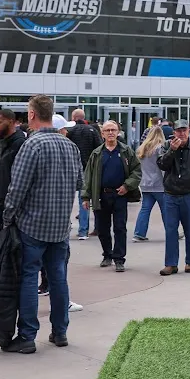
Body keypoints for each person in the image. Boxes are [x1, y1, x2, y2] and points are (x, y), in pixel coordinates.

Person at [2, 95, 83, 352]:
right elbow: (80, 183)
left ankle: (27, 336)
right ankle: (60, 331)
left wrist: (8, 217)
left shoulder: (32, 145)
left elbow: (17, 187)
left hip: (33, 224)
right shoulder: (70, 146)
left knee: (29, 276)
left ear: (32, 115)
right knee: (58, 277)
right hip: (60, 225)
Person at [0, 108, 25, 342]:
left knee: (12, 273)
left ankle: (12, 331)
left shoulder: (20, 145)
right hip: (1, 213)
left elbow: (17, 185)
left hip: (10, 217)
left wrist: (9, 214)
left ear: (12, 122)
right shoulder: (1, 145)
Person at [83, 121, 140, 271]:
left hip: (120, 195)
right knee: (102, 228)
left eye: (113, 130)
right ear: (102, 134)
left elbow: (136, 171)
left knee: (120, 227)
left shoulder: (126, 151)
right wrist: (85, 196)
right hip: (101, 195)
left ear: (118, 132)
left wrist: (127, 185)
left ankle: (119, 258)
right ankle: (107, 255)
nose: (110, 133)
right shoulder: (96, 153)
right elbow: (88, 176)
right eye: (107, 130)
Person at [157, 120, 190, 275]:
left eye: (184, 130)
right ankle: (171, 264)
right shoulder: (167, 146)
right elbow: (161, 165)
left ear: (188, 131)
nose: (181, 133)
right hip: (171, 194)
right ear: (174, 132)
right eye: (178, 131)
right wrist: (172, 151)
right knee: (170, 230)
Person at [66, 110, 102, 242]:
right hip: (87, 169)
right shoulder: (92, 131)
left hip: (71, 169)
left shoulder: (70, 131)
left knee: (66, 200)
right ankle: (83, 231)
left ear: (74, 118)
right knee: (84, 200)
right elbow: (99, 149)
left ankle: (65, 227)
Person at [133, 127, 167, 242]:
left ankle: (139, 233)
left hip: (145, 183)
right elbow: (163, 167)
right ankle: (172, 232)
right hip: (159, 184)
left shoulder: (141, 149)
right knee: (166, 210)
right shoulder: (160, 148)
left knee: (145, 209)